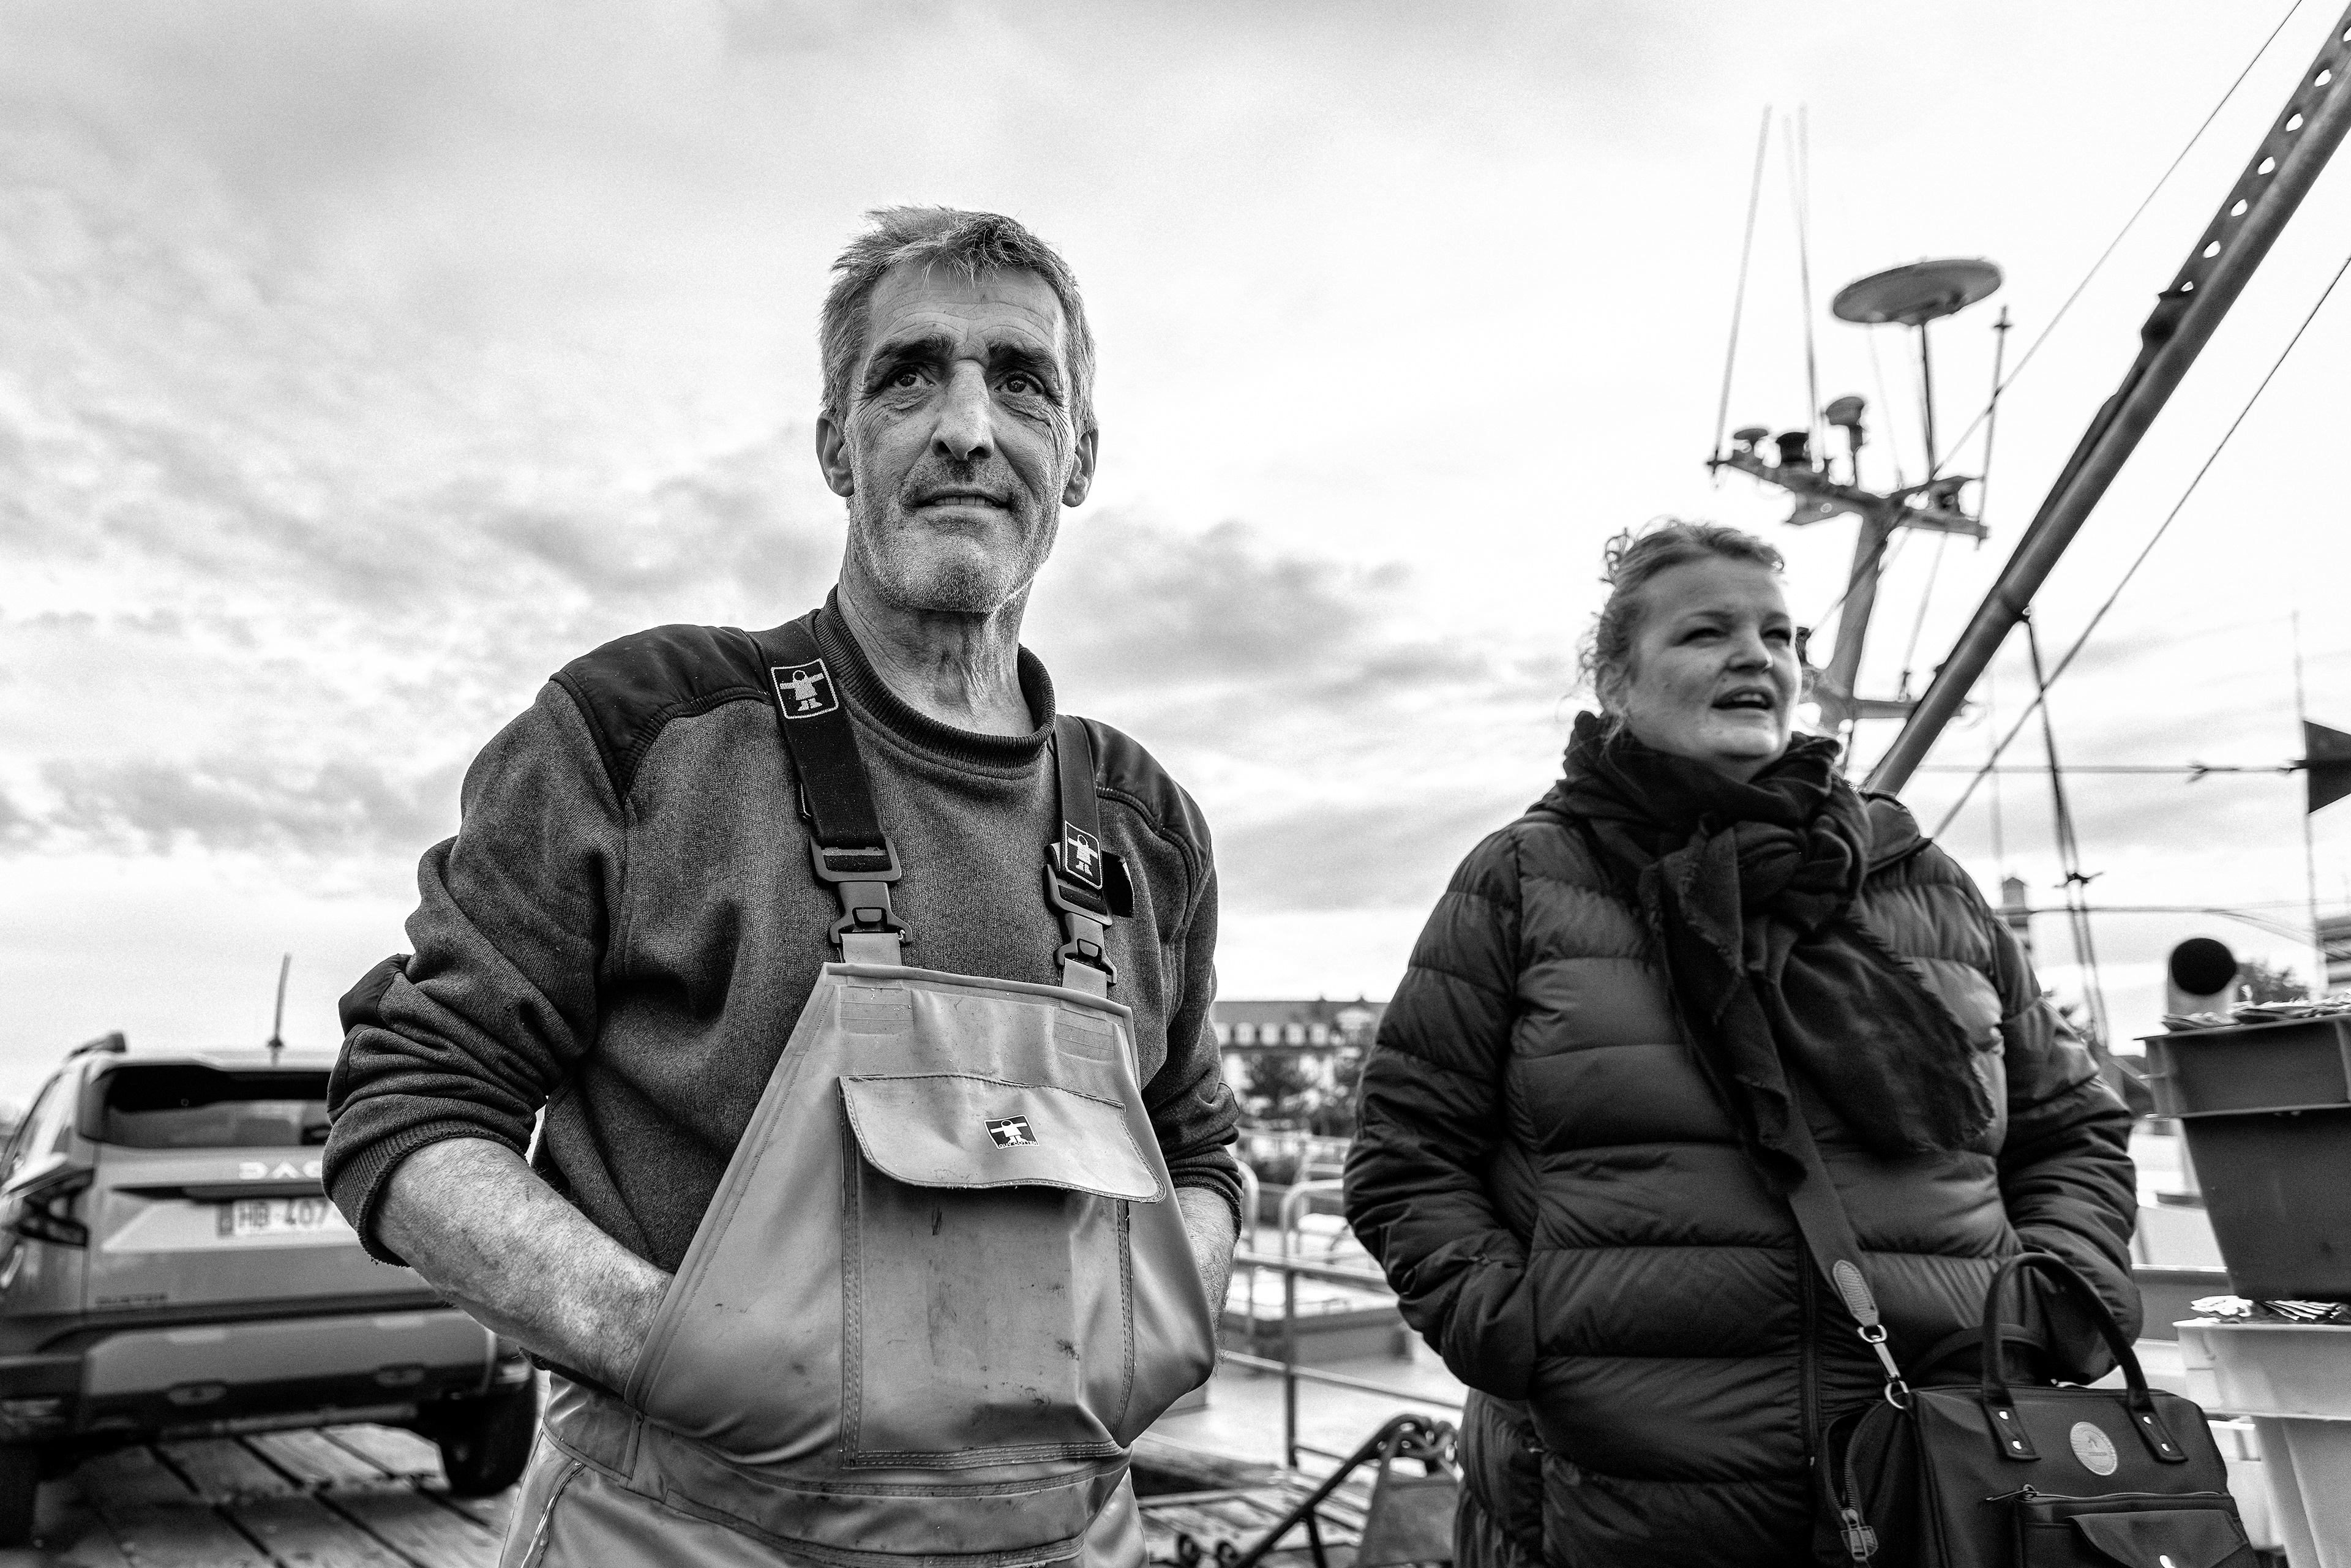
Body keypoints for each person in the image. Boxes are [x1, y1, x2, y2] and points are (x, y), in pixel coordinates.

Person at [324, 207, 1241, 1568]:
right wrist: (675, 1347)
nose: (969, 429)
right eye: (909, 375)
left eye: (1024, 381)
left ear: (1081, 455)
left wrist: (1145, 1345)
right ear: (836, 443)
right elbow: (406, 1108)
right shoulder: (642, 733)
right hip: (683, 1534)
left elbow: (1201, 1148)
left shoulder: (1143, 824)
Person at [1341, 521, 2137, 1568]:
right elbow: (1408, 1156)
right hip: (1617, 1498)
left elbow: (2071, 1126)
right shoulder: (1528, 881)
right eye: (1706, 632)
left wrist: (2053, 1300)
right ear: (1618, 682)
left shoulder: (1917, 879)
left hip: (1940, 1483)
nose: (1757, 655)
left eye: (1780, 633)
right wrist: (1526, 1335)